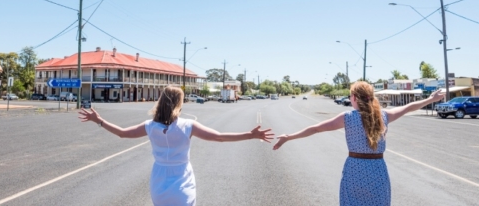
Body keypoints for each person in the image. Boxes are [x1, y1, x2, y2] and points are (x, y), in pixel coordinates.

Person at [78, 86, 274, 206]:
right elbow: (219, 137)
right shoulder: (188, 126)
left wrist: (99, 120)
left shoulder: (150, 126)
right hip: (182, 180)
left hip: (159, 180)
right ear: (178, 104)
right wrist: (250, 135)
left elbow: (122, 133)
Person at [273, 81, 445, 205]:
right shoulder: (383, 116)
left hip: (355, 169)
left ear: (354, 97)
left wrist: (288, 136)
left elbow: (316, 128)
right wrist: (430, 99)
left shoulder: (347, 118)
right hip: (377, 169)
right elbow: (409, 107)